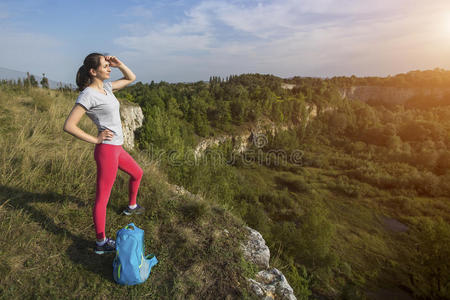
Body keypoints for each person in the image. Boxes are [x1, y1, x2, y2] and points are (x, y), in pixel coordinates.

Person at [63, 53, 145, 254]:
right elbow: (69, 125)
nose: (109, 68)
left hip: (117, 147)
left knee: (137, 173)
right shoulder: (88, 95)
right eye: (105, 66)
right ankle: (101, 242)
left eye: (109, 65)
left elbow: (131, 78)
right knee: (102, 198)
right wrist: (96, 139)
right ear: (93, 71)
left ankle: (131, 207)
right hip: (106, 151)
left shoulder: (106, 88)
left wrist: (119, 64)